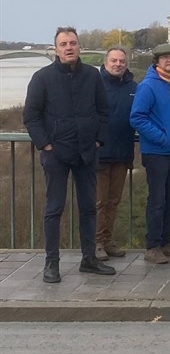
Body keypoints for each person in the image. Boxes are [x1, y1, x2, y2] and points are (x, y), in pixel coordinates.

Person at [23, 26, 116, 283]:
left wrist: (98, 140)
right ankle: (51, 263)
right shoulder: (42, 77)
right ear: (56, 49)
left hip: (87, 152)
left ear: (79, 47)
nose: (69, 48)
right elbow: (31, 116)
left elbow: (103, 111)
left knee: (88, 207)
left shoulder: (92, 75)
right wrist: (45, 145)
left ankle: (89, 259)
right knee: (54, 209)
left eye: (72, 43)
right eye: (63, 44)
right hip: (56, 154)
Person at [130, 43, 170, 264]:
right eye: (165, 57)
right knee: (157, 200)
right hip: (157, 152)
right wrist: (162, 138)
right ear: (156, 61)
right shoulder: (148, 86)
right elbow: (137, 118)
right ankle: (153, 246)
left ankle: (168, 243)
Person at [94, 47, 137, 261]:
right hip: (99, 154)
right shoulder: (95, 84)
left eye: (122, 61)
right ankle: (96, 243)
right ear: (105, 62)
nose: (118, 64)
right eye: (114, 60)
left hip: (122, 153)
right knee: (99, 202)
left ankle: (107, 240)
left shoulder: (134, 87)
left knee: (113, 201)